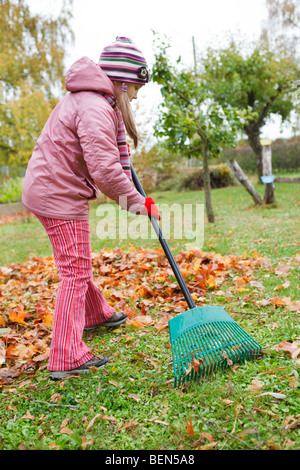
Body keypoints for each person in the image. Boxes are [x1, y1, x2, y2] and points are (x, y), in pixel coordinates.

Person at [22, 37, 160, 380]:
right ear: (122, 82)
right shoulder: (96, 107)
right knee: (75, 271)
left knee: (77, 263)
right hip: (58, 192)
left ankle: (96, 313)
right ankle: (66, 355)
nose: (136, 99)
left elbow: (109, 161)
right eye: (135, 91)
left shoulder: (94, 101)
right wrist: (139, 204)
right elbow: (105, 171)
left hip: (54, 188)